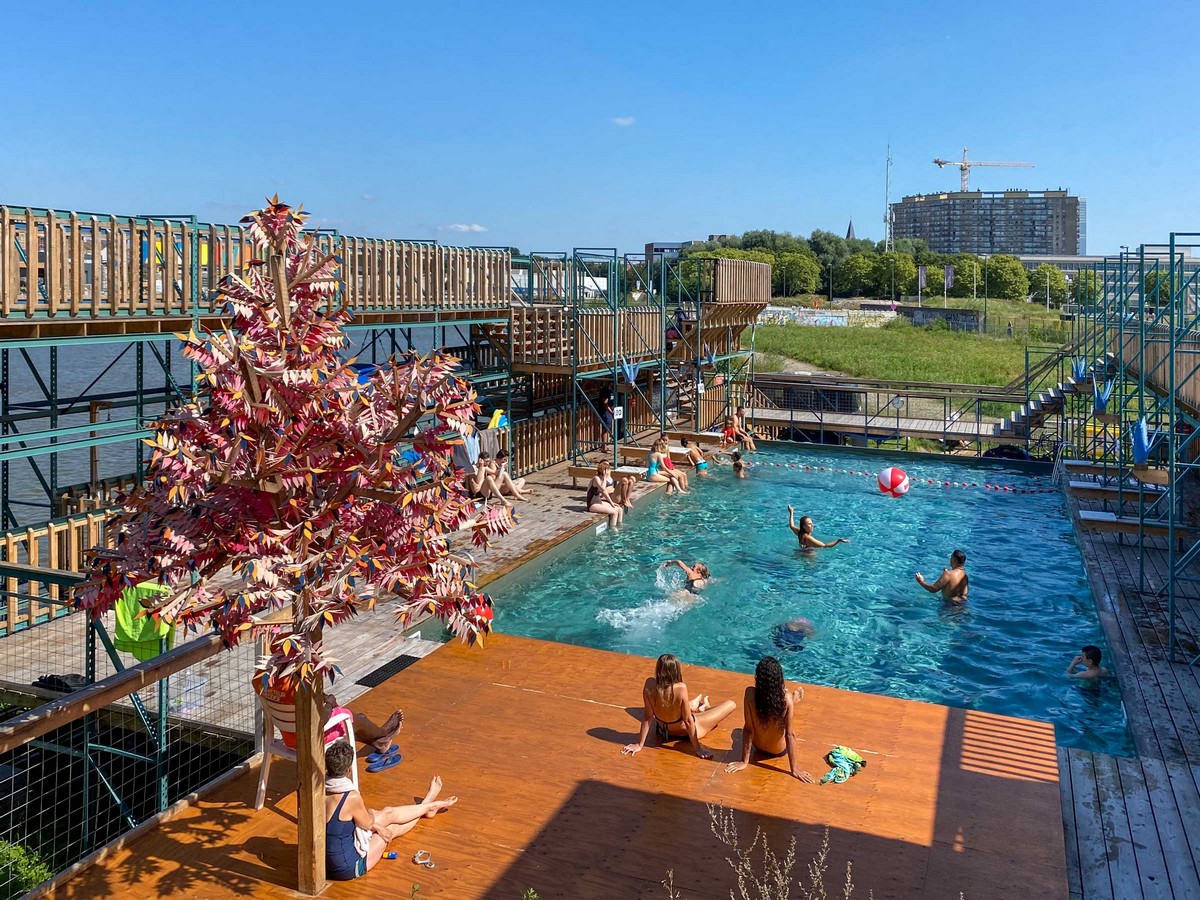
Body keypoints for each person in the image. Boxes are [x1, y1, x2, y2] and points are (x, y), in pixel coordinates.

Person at [324, 741, 457, 881]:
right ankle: (428, 804)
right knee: (390, 829)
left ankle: (427, 806)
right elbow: (368, 824)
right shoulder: (351, 797)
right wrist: (379, 827)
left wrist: (375, 824)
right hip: (347, 867)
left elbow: (366, 822)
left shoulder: (318, 788)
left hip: (325, 860)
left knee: (385, 813)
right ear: (349, 770)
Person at [254, 676, 403, 757]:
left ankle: (380, 742)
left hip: (289, 738)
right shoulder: (298, 686)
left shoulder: (259, 680)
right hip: (310, 738)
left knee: (352, 719)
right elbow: (320, 721)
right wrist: (330, 704)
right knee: (352, 718)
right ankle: (383, 735)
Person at [622, 653, 736, 760]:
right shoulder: (680, 688)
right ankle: (703, 707)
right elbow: (688, 720)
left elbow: (647, 716)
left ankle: (696, 705)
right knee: (731, 704)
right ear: (676, 671)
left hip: (664, 729)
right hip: (688, 731)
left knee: (679, 706)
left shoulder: (649, 684)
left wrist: (639, 744)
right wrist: (698, 749)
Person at [725, 657, 813, 782]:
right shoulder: (785, 699)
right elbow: (790, 734)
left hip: (758, 746)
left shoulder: (750, 694)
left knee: (737, 731)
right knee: (785, 699)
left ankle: (791, 703)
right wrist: (795, 769)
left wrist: (744, 761)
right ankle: (792, 702)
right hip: (778, 750)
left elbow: (748, 728)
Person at [587, 460, 625, 529]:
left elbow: (604, 493)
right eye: (607, 470)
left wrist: (612, 502)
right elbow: (603, 489)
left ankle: (620, 526)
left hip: (599, 502)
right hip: (592, 505)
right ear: (604, 471)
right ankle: (613, 530)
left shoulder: (601, 478)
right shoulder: (596, 478)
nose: (609, 471)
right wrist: (605, 477)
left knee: (619, 509)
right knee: (614, 512)